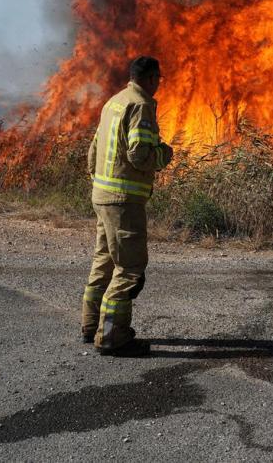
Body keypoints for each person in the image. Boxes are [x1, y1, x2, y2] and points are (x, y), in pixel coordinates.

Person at [80, 56, 174, 357]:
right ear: (150, 78)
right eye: (158, 78)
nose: (159, 83)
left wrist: (99, 183)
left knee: (104, 261)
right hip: (124, 200)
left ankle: (90, 324)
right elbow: (139, 154)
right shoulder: (141, 104)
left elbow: (93, 151)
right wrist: (164, 155)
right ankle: (112, 336)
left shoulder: (114, 102)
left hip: (103, 195)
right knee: (130, 268)